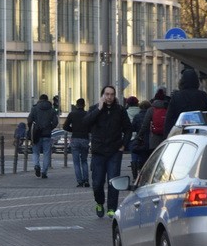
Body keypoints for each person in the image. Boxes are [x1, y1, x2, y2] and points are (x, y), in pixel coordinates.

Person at [83, 85, 133, 218]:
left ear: (115, 95)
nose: (109, 97)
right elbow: (86, 123)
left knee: (113, 181)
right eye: (107, 94)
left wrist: (124, 144)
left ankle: (112, 208)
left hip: (114, 152)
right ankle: (99, 202)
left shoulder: (120, 110)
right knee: (97, 182)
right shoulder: (95, 109)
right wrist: (99, 109)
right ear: (102, 95)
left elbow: (128, 129)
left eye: (112, 94)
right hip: (98, 152)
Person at [163, 69, 207, 136]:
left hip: (180, 131)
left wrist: (167, 135)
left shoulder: (177, 96)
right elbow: (205, 113)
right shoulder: (202, 95)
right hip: (198, 130)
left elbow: (170, 117)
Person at [27, 94, 59, 179]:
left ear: (40, 99)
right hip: (47, 134)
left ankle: (36, 165)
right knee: (46, 154)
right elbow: (55, 122)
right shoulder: (52, 110)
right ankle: (44, 172)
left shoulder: (34, 108)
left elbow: (29, 120)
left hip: (36, 134)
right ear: (47, 100)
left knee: (35, 152)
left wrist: (32, 128)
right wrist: (50, 128)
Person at [133, 90, 169, 165]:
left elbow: (145, 125)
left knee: (154, 161)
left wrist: (139, 136)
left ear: (155, 99)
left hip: (153, 139)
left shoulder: (151, 109)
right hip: (166, 138)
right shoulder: (168, 109)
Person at [63, 97, 91, 187]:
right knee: (84, 161)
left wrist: (73, 130)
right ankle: (86, 181)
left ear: (76, 105)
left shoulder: (72, 114)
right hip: (85, 139)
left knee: (76, 162)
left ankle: (80, 181)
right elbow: (92, 127)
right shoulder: (88, 114)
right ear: (84, 105)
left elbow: (65, 126)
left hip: (75, 138)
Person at [129, 99, 151, 179]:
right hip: (150, 139)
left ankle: (135, 175)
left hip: (140, 138)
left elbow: (133, 128)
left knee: (135, 154)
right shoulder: (151, 115)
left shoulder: (137, 116)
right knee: (147, 157)